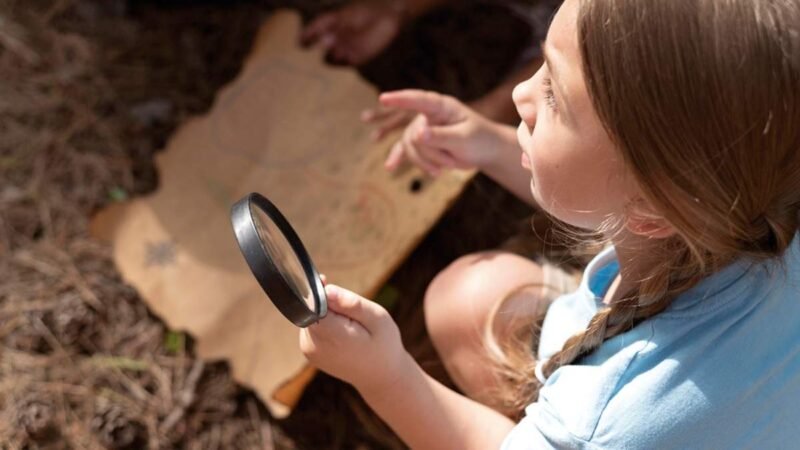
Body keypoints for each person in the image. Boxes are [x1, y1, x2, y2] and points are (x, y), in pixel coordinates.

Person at [300, 0, 800, 448]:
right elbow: (610, 191)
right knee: (468, 298)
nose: (520, 94)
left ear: (654, 208)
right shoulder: (756, 195)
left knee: (465, 306)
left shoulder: (606, 418)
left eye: (555, 95)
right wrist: (490, 144)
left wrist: (384, 374)